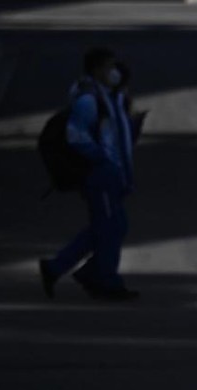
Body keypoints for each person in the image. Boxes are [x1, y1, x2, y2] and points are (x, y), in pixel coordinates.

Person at [39, 47, 136, 300]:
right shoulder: (88, 100)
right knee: (109, 227)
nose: (114, 72)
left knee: (114, 225)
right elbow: (76, 136)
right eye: (109, 67)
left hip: (111, 174)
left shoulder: (109, 97)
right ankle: (106, 281)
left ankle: (59, 268)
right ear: (96, 70)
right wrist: (102, 160)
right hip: (99, 174)